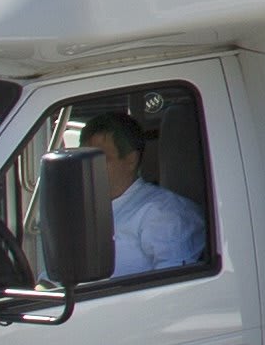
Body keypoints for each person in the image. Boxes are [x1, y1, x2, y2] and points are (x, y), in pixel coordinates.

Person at [87, 109, 209, 281]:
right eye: (85, 160)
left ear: (131, 160)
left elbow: (173, 290)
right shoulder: (84, 213)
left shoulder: (163, 213)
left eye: (101, 159)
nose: (90, 168)